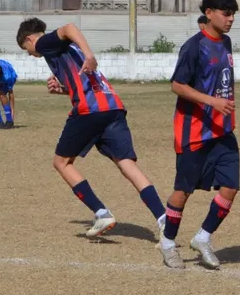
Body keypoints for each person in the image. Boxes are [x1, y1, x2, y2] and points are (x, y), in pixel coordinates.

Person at [16, 17, 167, 239]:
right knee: (126, 164)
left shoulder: (43, 43)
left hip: (90, 111)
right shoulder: (68, 48)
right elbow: (83, 83)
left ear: (30, 39)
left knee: (62, 162)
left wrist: (90, 55)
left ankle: (101, 212)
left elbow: (69, 27)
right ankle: (164, 219)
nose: (30, 53)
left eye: (26, 48)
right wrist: (63, 90)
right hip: (112, 106)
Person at [159, 0, 240, 270]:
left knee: (231, 186)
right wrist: (212, 102)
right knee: (183, 192)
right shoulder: (194, 47)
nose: (230, 19)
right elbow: (177, 86)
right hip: (194, 132)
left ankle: (203, 237)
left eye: (233, 14)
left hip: (223, 131)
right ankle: (168, 242)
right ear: (209, 13)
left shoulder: (226, 42)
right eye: (226, 13)